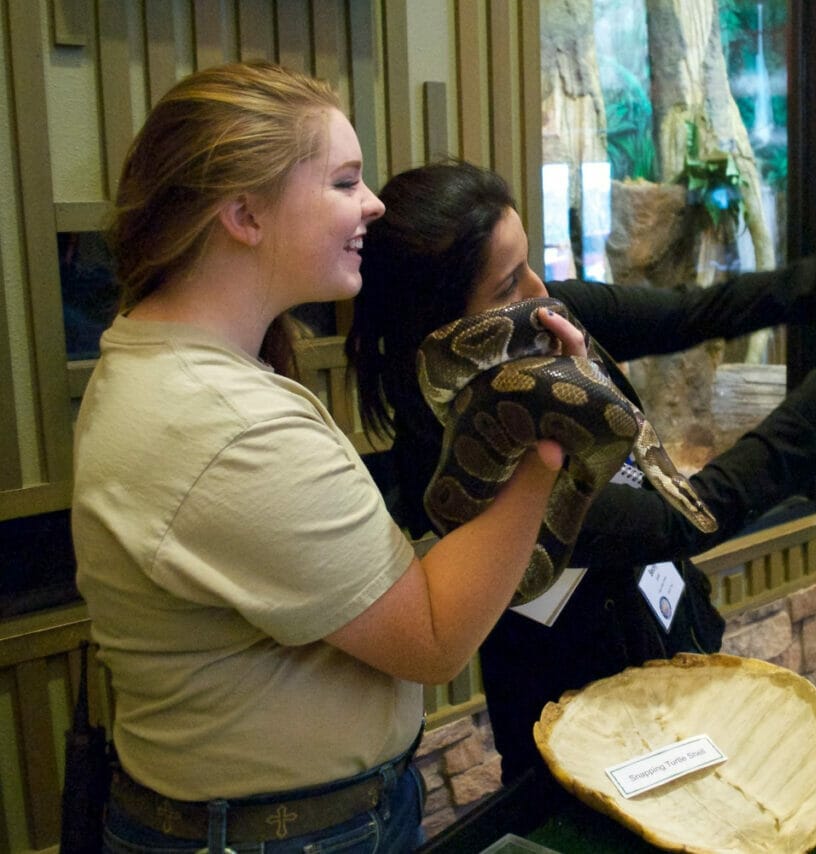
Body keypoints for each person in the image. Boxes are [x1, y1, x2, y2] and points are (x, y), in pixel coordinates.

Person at [71, 63, 585, 854]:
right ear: (244, 213)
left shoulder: (177, 362)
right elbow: (435, 640)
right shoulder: (228, 426)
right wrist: (546, 442)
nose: (374, 204)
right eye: (345, 181)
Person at [347, 159, 816, 788]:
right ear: (448, 330)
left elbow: (698, 311)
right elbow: (687, 514)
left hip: (672, 651)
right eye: (505, 288)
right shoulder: (474, 464)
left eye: (529, 262)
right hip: (583, 723)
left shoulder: (547, 316)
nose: (539, 292)